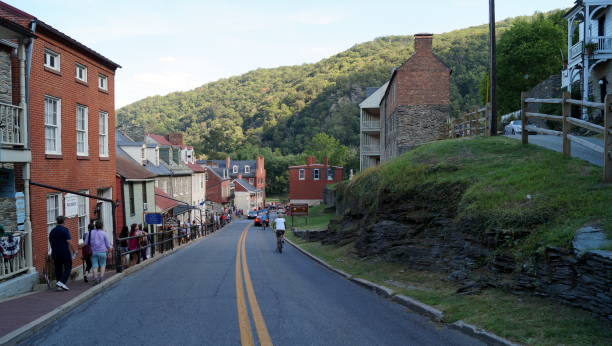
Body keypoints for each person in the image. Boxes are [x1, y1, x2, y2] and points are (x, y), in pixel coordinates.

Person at [49, 216, 74, 291]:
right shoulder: (65, 230)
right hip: (64, 252)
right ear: (64, 222)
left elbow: (50, 242)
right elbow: (69, 241)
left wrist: (52, 251)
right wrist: (74, 250)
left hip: (55, 252)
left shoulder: (52, 231)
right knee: (68, 267)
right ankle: (61, 282)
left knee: (58, 269)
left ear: (57, 222)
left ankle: (59, 285)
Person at [87, 220, 112, 284]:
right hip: (102, 251)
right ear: (102, 226)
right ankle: (101, 277)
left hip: (93, 251)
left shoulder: (90, 232)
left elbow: (86, 243)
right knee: (102, 264)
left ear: (95, 226)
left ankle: (95, 278)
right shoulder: (104, 233)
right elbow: (108, 244)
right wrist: (109, 252)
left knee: (94, 265)